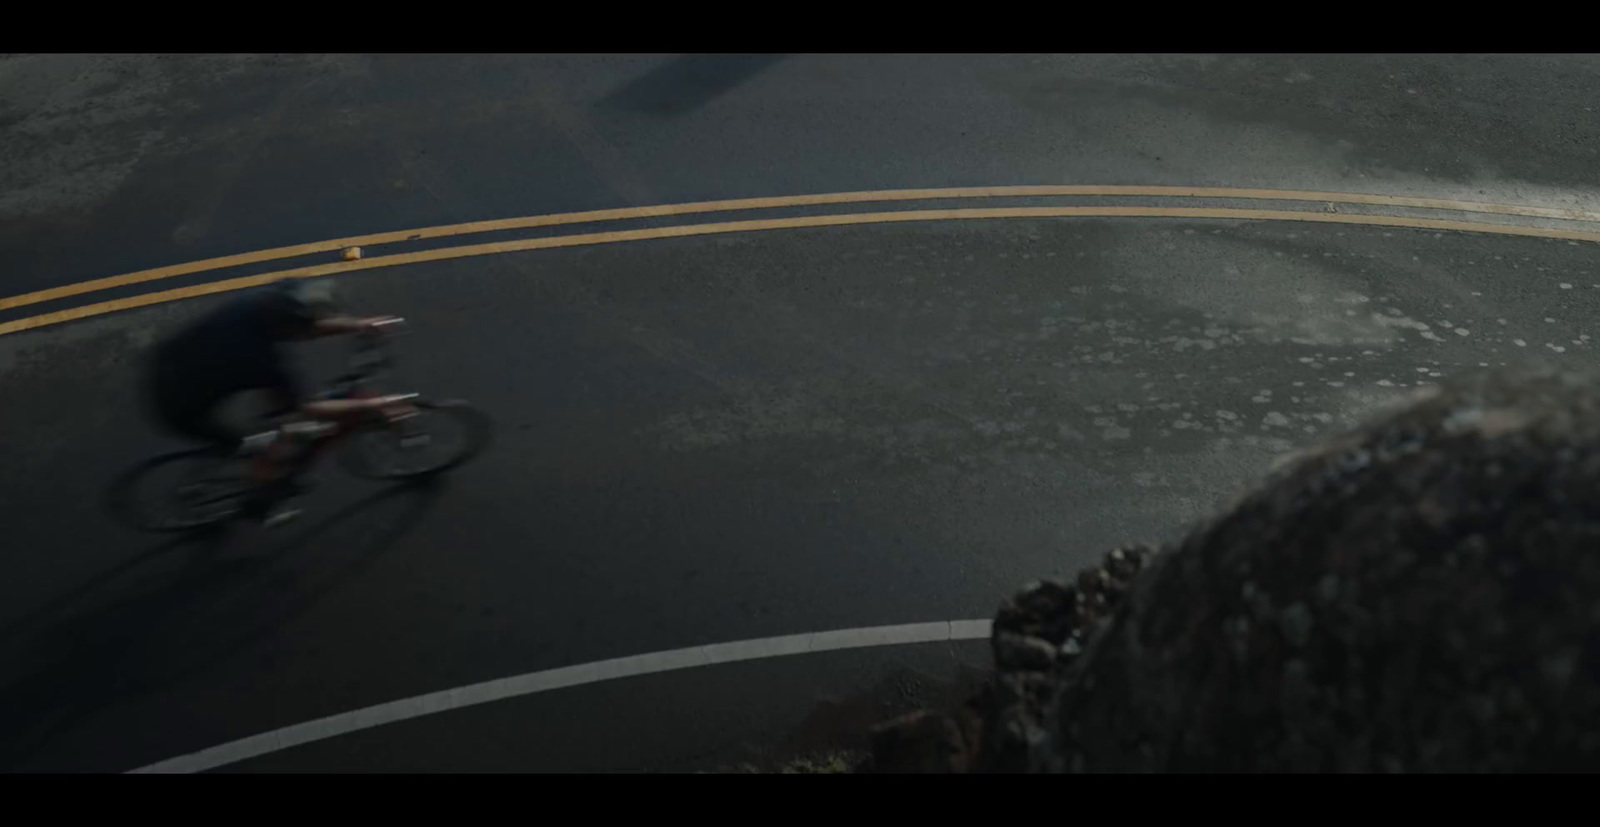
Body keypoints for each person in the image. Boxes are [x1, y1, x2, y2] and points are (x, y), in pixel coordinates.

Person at [146, 278, 413, 525]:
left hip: (173, 364)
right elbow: (308, 407)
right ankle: (260, 504)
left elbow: (306, 326)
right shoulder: (260, 360)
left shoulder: (261, 302)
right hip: (180, 406)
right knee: (272, 444)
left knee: (287, 420)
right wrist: (372, 405)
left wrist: (359, 325)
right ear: (287, 327)